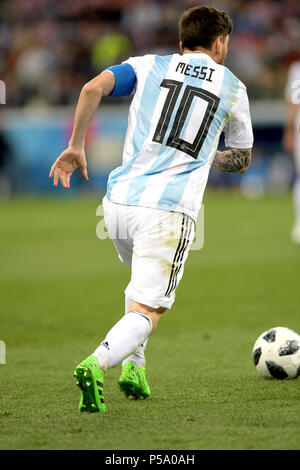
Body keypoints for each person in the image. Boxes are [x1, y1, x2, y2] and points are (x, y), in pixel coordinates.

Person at [49, 5, 253, 413]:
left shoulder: (148, 65)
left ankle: (134, 368)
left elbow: (91, 88)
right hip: (167, 212)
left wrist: (75, 146)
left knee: (138, 289)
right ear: (220, 43)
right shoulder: (233, 88)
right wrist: (211, 154)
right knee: (150, 308)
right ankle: (98, 360)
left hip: (117, 204)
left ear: (181, 44)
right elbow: (241, 158)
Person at [283, 60, 300, 244]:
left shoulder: (297, 69)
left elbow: (292, 102)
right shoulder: (296, 69)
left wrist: (289, 130)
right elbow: (293, 103)